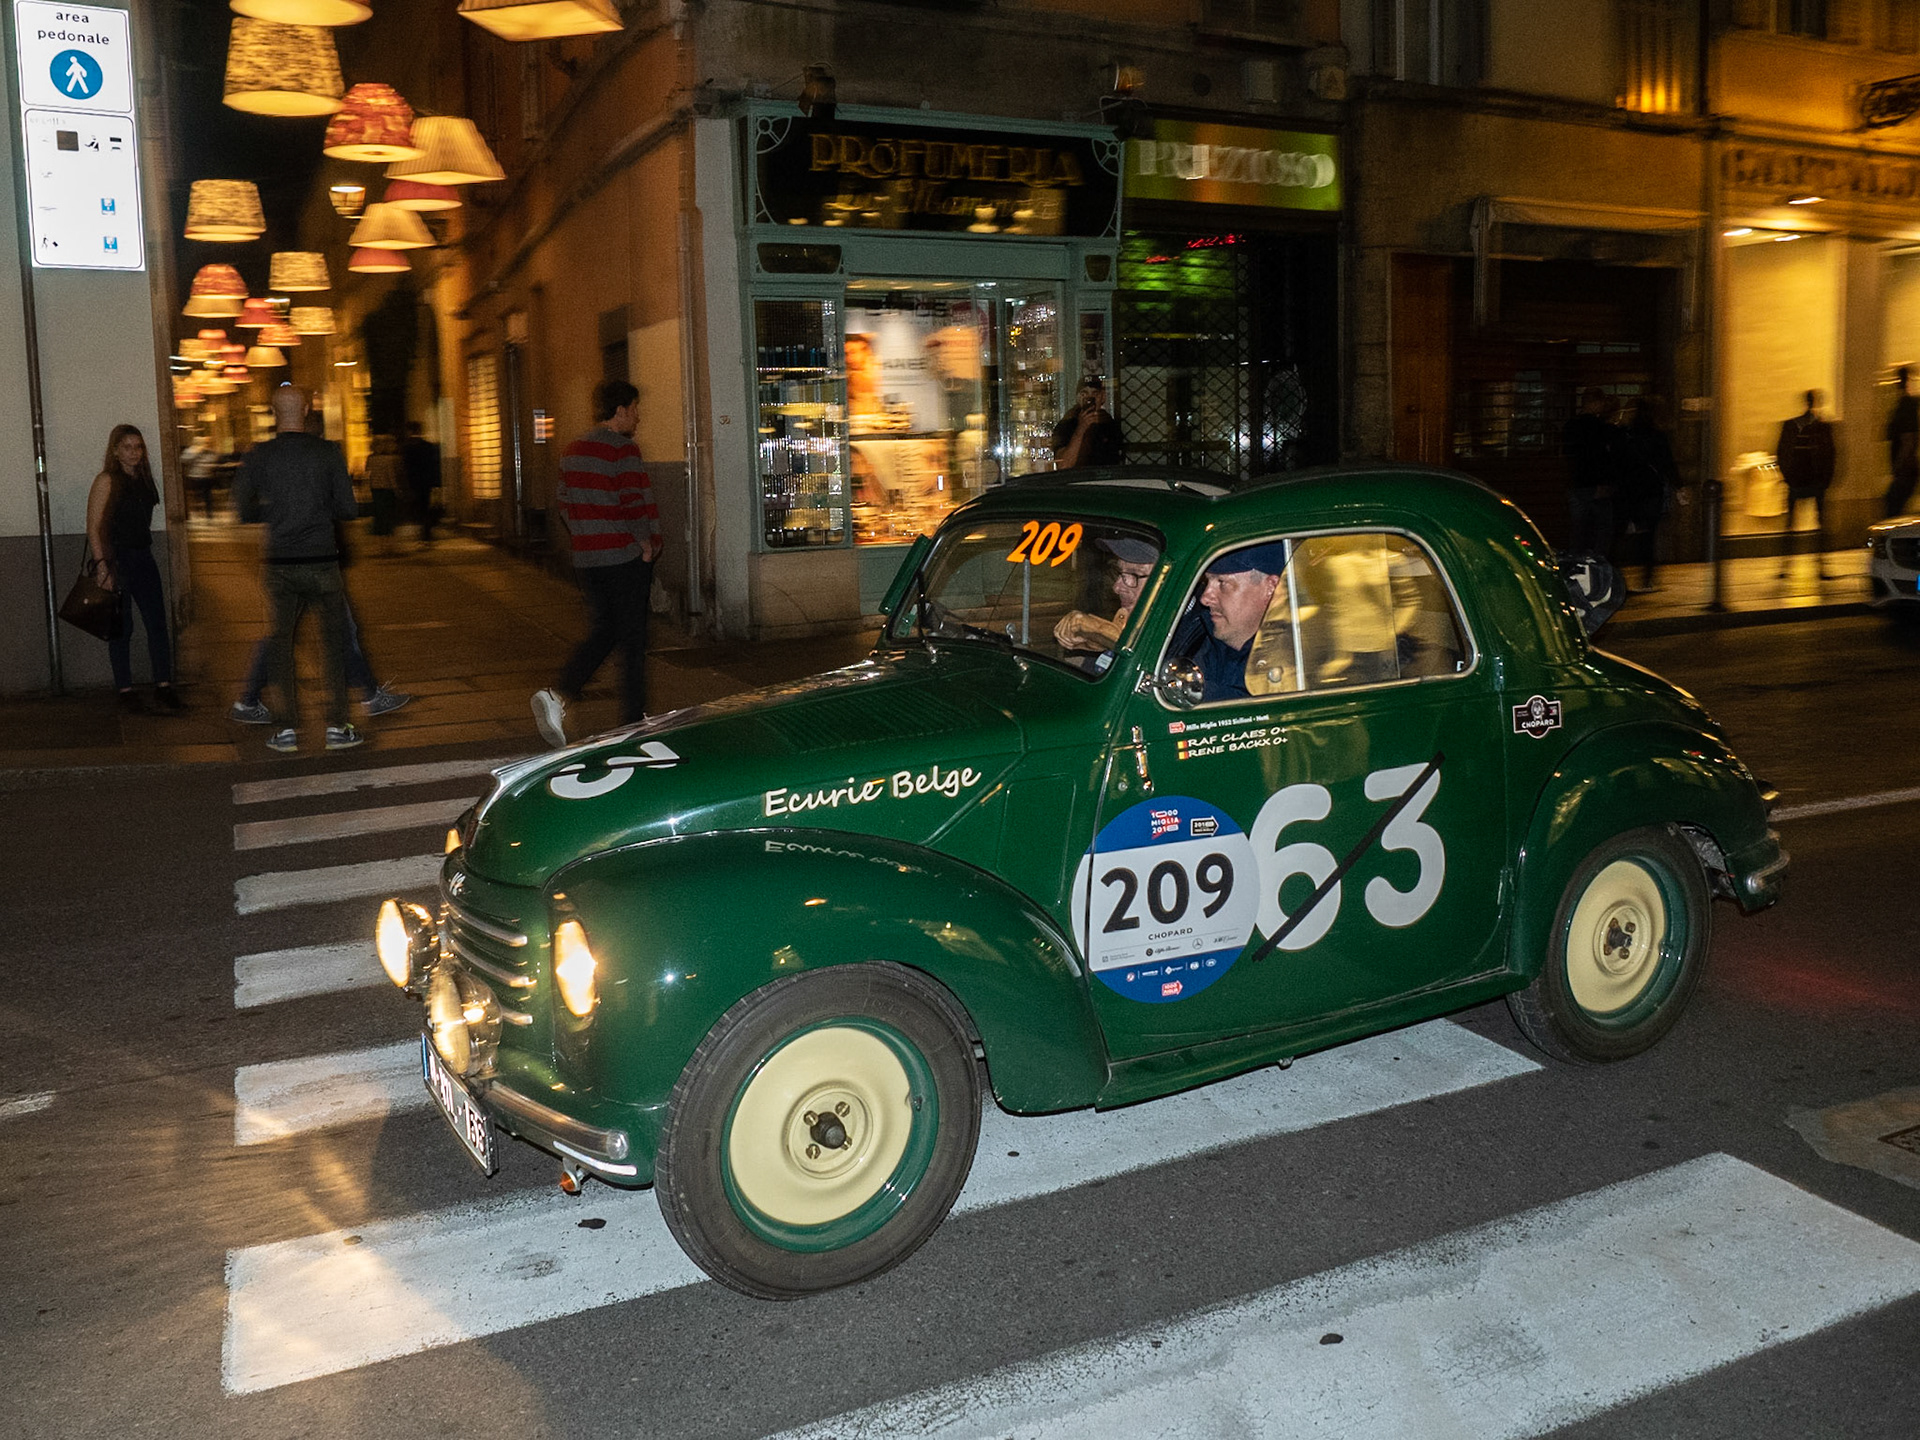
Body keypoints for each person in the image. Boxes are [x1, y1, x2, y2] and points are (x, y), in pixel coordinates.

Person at [232, 386, 364, 753]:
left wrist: (275, 513)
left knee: (280, 644)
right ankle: (338, 726)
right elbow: (349, 509)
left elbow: (242, 510)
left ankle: (286, 728)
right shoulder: (327, 452)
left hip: (280, 563)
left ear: (274, 412)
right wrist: (318, 510)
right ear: (306, 410)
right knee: (333, 643)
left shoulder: (259, 455)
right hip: (322, 561)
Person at [531, 379, 661, 747]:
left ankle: (562, 694)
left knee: (606, 629)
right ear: (619, 410)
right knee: (633, 640)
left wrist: (585, 534)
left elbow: (564, 502)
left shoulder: (572, 450)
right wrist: (644, 542)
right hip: (624, 556)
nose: (637, 415)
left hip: (588, 558)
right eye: (634, 408)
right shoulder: (623, 450)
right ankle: (632, 721)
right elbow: (632, 500)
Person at [86, 424, 181, 715]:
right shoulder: (106, 480)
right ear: (115, 450)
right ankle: (125, 689)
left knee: (157, 623)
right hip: (118, 559)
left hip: (143, 557)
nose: (134, 453)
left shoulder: (144, 480)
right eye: (127, 447)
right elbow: (94, 526)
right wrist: (102, 566)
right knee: (121, 628)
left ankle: (163, 685)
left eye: (138, 447)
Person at [1175, 543, 1289, 703]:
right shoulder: (1208, 640)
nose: (1205, 598)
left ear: (1271, 588)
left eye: (1222, 583)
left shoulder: (1294, 660)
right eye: (1207, 582)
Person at [1053, 537, 1156, 662]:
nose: (1117, 588)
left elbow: (1152, 665)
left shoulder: (1184, 637)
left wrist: (1102, 631)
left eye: (1134, 574)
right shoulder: (1134, 623)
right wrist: (1096, 642)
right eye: (1119, 572)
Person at [1775, 389, 1837, 581]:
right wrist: (1825, 480)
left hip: (1799, 481)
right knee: (1819, 525)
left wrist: (1787, 476)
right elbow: (1830, 454)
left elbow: (1781, 452)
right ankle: (1819, 567)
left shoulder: (1794, 425)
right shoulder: (1822, 427)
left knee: (1791, 525)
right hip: (1813, 481)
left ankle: (1786, 566)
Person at [1621, 395, 1681, 592]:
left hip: (1630, 491)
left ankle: (1620, 578)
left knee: (1628, 533)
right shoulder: (1657, 435)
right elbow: (1668, 463)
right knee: (1649, 535)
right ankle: (1647, 578)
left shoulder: (1627, 435)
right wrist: (1679, 486)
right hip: (1651, 490)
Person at [1562, 388, 1623, 557]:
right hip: (1597, 486)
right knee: (1602, 531)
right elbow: (1602, 458)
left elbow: (1570, 456)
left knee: (1578, 530)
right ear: (1595, 403)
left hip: (1576, 483)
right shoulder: (1601, 429)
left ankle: (1575, 567)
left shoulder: (1570, 426)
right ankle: (1596, 568)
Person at [1051, 377, 1124, 470]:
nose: (1089, 399)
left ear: (1102, 397)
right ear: (1078, 398)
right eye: (1084, 394)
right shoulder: (1066, 425)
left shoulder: (1109, 425)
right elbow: (1064, 465)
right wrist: (1081, 428)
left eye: (1095, 393)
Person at [401, 421, 442, 545]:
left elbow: (405, 468)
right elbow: (435, 465)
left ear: (410, 431)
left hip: (414, 483)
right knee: (426, 507)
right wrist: (437, 482)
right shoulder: (428, 446)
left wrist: (405, 484)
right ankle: (427, 533)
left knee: (418, 509)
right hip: (427, 482)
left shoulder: (407, 448)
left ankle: (423, 533)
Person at [1886, 366, 1918, 518]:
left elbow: (1908, 440)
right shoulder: (1905, 405)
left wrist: (1899, 464)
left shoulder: (1905, 406)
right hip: (1906, 469)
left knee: (1892, 508)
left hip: (1905, 470)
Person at [364, 434, 403, 554]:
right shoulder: (389, 459)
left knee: (379, 518)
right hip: (387, 491)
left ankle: (380, 546)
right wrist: (397, 490)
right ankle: (389, 546)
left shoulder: (370, 459)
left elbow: (367, 474)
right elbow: (391, 476)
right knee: (389, 517)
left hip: (375, 491)